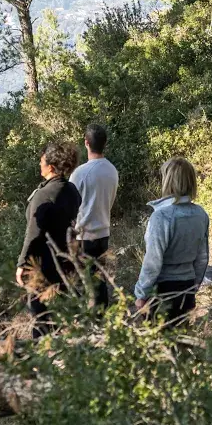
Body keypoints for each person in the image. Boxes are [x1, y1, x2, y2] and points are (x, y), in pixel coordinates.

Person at [17, 141, 83, 336]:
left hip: (43, 265)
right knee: (60, 316)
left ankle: (44, 359)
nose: (39, 164)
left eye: (42, 161)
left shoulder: (43, 195)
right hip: (66, 261)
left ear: (51, 167)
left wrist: (22, 263)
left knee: (40, 317)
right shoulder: (71, 190)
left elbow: (33, 234)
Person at [134, 157, 210, 326]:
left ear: (168, 180)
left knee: (159, 346)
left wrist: (141, 294)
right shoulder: (201, 214)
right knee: (182, 343)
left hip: (162, 290)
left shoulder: (162, 216)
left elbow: (153, 260)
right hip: (187, 288)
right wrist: (195, 285)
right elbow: (202, 257)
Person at [68, 123, 119, 307]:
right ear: (104, 143)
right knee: (99, 280)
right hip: (103, 233)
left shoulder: (79, 173)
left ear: (86, 143)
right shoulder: (112, 170)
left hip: (83, 235)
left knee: (82, 283)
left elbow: (70, 206)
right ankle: (102, 320)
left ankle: (88, 323)